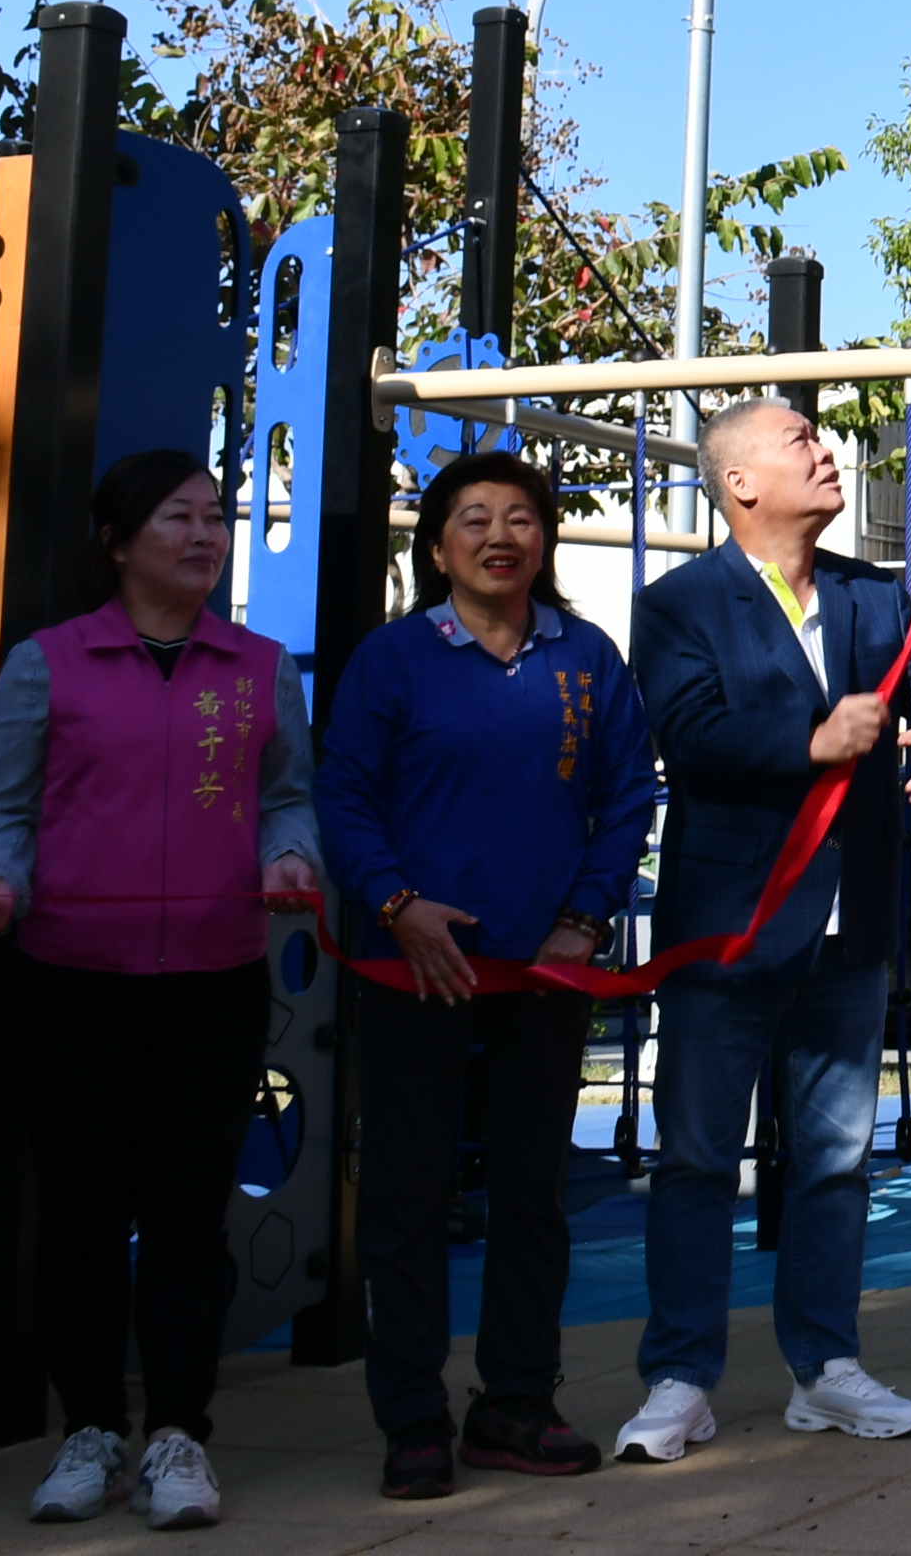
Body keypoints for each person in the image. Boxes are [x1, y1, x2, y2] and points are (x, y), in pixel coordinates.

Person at [0, 452, 321, 1533]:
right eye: (177, 518)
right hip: (68, 981)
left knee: (187, 1219)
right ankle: (91, 1430)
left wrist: (291, 857)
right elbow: (2, 809)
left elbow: (287, 797)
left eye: (215, 517)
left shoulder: (260, 667)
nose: (205, 536)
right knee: (77, 1218)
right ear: (116, 543)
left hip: (214, 981)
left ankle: (178, 1433)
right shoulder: (47, 664)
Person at [616, 400, 911, 1466]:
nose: (826, 451)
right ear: (738, 482)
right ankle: (680, 1378)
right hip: (727, 929)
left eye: (822, 438)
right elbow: (691, 735)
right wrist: (816, 737)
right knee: (694, 1160)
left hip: (846, 927)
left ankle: (825, 1369)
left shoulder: (875, 595)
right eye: (800, 441)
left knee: (835, 1162)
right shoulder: (679, 605)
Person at [318, 449, 658, 1499]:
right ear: (436, 548)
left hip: (545, 973)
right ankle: (412, 1416)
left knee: (533, 1190)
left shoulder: (587, 657)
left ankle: (516, 1401)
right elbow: (343, 796)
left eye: (520, 517)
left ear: (544, 540)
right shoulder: (392, 659)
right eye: (474, 518)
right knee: (407, 1193)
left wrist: (584, 920)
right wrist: (396, 905)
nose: (500, 536)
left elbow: (627, 797)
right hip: (412, 965)